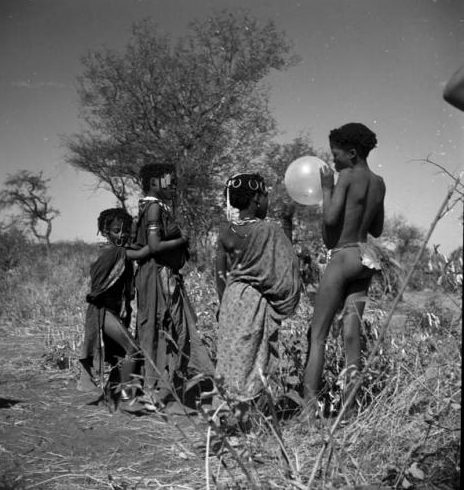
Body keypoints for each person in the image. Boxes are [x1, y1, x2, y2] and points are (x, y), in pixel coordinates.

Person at [301, 123, 385, 419]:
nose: (332, 162)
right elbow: (377, 228)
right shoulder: (379, 182)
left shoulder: (346, 177)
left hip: (341, 257)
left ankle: (308, 409)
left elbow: (332, 217)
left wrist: (327, 188)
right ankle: (350, 409)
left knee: (318, 334)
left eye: (335, 156)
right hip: (364, 260)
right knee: (351, 334)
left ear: (351, 154)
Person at [215, 173, 301, 418]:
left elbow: (219, 274)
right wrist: (282, 302)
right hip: (254, 302)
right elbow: (285, 273)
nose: (266, 202)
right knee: (252, 359)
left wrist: (225, 304)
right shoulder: (268, 230)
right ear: (255, 198)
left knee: (231, 359)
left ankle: (228, 416)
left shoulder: (225, 232)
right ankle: (246, 421)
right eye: (265, 197)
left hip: (231, 300)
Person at [133, 162, 214, 411]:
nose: (173, 185)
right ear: (155, 182)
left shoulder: (152, 207)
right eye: (169, 180)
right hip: (158, 278)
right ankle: (155, 393)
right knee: (163, 329)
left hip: (157, 276)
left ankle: (161, 389)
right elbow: (155, 246)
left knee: (161, 330)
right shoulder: (155, 208)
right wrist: (182, 240)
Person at [77, 208, 149, 412]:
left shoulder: (117, 250)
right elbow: (143, 251)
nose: (122, 234)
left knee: (120, 356)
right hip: (102, 312)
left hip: (115, 311)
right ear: (104, 230)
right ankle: (126, 398)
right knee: (133, 351)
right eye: (117, 230)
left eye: (126, 230)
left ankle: (110, 398)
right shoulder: (115, 252)